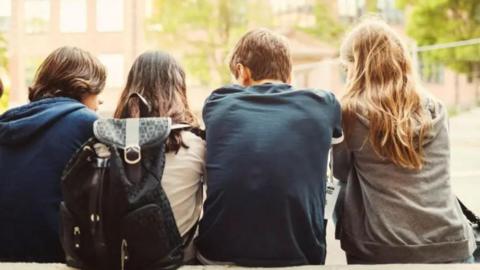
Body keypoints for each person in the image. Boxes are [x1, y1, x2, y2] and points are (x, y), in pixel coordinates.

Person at [333, 19, 476, 264]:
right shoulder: (436, 109)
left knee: (345, 188)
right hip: (452, 245)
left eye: (348, 69)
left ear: (357, 68)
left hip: (381, 250)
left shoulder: (348, 115)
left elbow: (341, 171)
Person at [196, 28, 343, 266]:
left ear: (242, 72)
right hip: (300, 255)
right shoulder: (324, 105)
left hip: (219, 254)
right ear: (289, 73)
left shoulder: (217, 102)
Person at [0, 46, 106, 262]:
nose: (100, 101)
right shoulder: (87, 124)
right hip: (57, 255)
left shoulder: (8, 121)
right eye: (98, 92)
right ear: (83, 87)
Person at [113, 51, 205, 262]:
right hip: (178, 261)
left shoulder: (108, 147)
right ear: (178, 89)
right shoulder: (195, 146)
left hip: (121, 259)